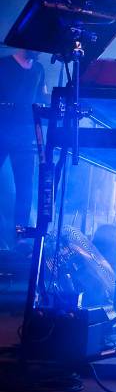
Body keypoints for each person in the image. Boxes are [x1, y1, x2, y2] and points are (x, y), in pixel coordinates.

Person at [0, 49, 46, 248]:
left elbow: (39, 99)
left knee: (25, 188)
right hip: (2, 130)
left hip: (26, 135)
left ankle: (21, 238)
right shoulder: (3, 65)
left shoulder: (38, 69)